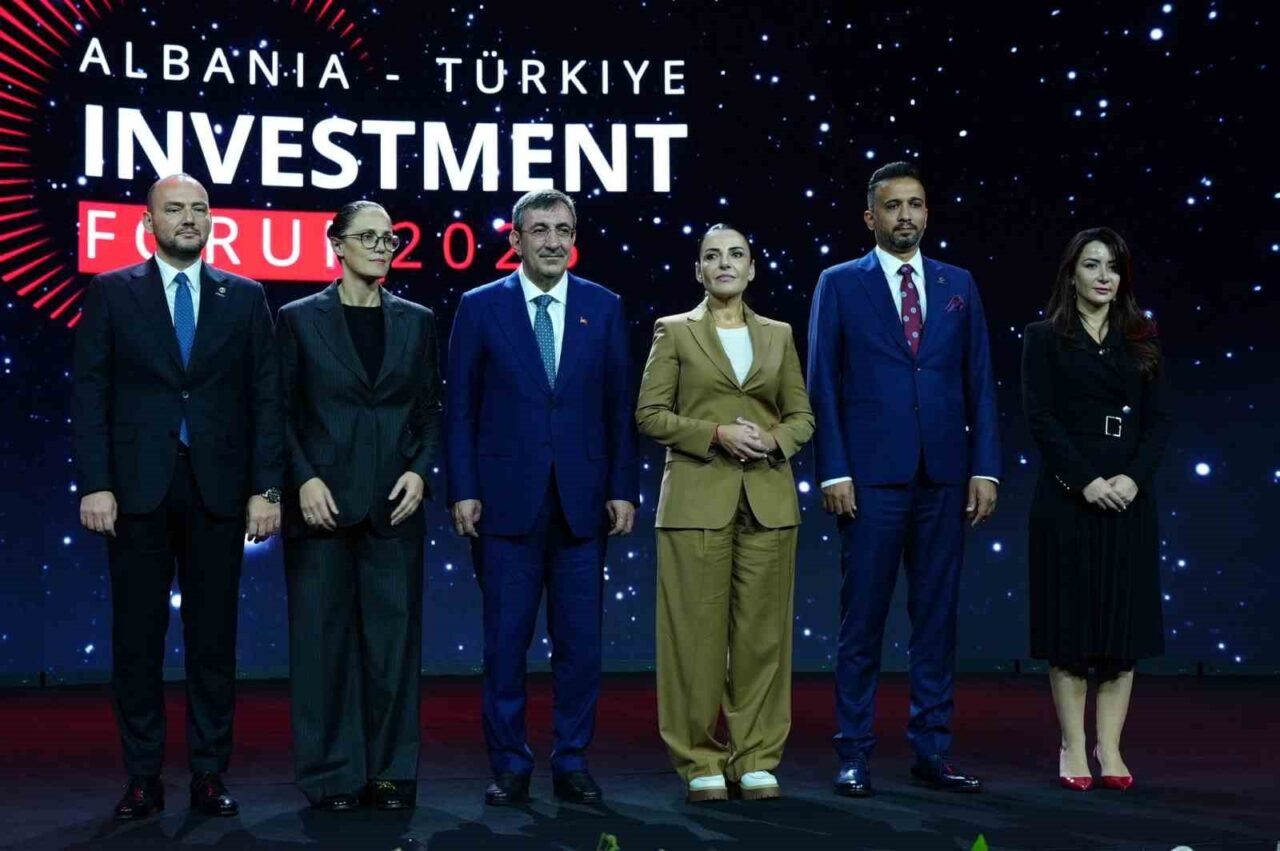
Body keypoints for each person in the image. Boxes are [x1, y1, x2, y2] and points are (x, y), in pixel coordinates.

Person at [73, 173, 283, 820]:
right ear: (149, 222)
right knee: (137, 639)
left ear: (212, 218)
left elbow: (266, 396)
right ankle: (143, 777)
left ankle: (208, 773)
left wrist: (266, 488)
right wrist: (97, 481)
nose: (189, 218)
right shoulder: (112, 292)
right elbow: (91, 391)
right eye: (175, 209)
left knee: (213, 640)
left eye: (199, 208)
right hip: (136, 490)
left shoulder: (244, 296)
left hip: (219, 491)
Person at [806, 161, 1001, 797]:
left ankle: (933, 752)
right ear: (871, 217)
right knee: (862, 622)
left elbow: (979, 381)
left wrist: (985, 467)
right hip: (869, 481)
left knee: (936, 621)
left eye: (915, 204)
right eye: (893, 206)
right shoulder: (839, 283)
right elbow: (821, 384)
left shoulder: (957, 284)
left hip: (944, 477)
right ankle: (854, 753)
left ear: (927, 212)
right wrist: (833, 469)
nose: (905, 216)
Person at [445, 188, 638, 805]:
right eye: (540, 230)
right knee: (505, 645)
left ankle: (572, 761)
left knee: (580, 647)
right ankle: (510, 765)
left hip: (584, 505)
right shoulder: (480, 307)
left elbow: (618, 409)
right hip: (505, 504)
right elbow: (460, 410)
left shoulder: (603, 306)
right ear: (516, 240)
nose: (553, 241)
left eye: (563, 230)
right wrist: (463, 489)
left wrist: (623, 488)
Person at [636, 224, 814, 803]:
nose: (725, 263)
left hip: (767, 499)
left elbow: (802, 416)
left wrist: (773, 440)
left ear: (752, 268)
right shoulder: (674, 331)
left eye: (736, 254)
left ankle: (756, 756)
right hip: (696, 500)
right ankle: (700, 759)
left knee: (763, 639)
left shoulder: (779, 334)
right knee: (694, 640)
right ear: (699, 271)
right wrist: (715, 433)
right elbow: (650, 414)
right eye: (712, 256)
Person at [275, 200, 443, 811]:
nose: (381, 247)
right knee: (323, 647)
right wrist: (302, 479)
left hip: (394, 508)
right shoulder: (298, 319)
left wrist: (420, 472)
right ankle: (332, 776)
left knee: (393, 649)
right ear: (336, 244)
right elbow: (279, 412)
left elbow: (429, 410)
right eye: (368, 237)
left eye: (389, 238)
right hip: (319, 507)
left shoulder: (417, 321)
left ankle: (391, 772)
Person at [1021, 227, 1171, 792]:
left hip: (1129, 500)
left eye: (1112, 266)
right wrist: (1085, 481)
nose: (1104, 276)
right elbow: (1040, 418)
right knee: (1071, 632)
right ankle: (1073, 745)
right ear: (1072, 273)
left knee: (1120, 634)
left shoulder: (1142, 337)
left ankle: (1110, 747)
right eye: (1092, 265)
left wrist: (1132, 479)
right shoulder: (1043, 337)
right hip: (1068, 501)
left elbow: (1160, 421)